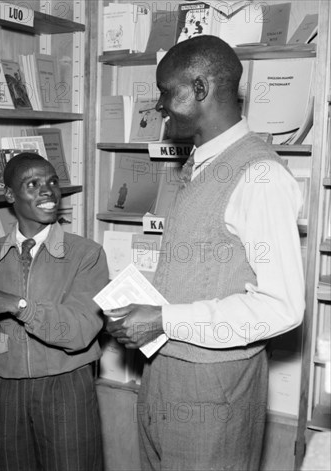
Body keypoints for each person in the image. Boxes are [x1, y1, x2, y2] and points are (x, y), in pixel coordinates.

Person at [105, 35, 305, 471]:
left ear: (200, 89)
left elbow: (282, 307)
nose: (159, 106)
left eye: (165, 91)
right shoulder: (200, 165)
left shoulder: (261, 176)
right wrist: (140, 314)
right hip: (165, 373)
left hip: (215, 390)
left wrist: (163, 319)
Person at [0, 153, 109, 471]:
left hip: (66, 387)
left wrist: (18, 305)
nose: (48, 191)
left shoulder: (86, 254)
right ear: (11, 195)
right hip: (8, 391)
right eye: (34, 183)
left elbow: (81, 330)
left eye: (53, 181)